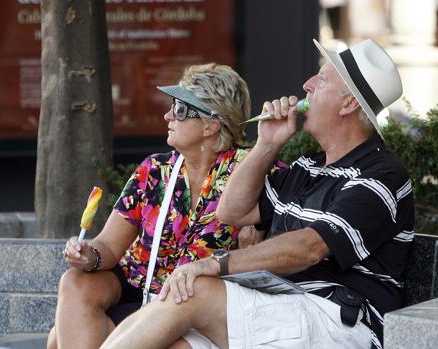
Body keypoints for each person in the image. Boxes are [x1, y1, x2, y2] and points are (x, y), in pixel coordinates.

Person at [100, 38, 415, 349]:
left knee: (193, 289)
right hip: (282, 307)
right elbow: (232, 211)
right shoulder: (307, 167)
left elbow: (310, 247)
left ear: (348, 104)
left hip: (338, 321)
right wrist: (267, 143)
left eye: (321, 79)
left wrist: (215, 263)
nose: (306, 84)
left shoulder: (380, 175)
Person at [47, 63, 256, 349]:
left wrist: (257, 234)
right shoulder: (154, 170)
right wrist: (89, 255)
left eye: (181, 110)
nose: (168, 115)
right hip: (135, 289)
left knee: (61, 338)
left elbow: (278, 234)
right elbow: (108, 246)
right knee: (75, 281)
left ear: (211, 124)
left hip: (191, 306)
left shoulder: (250, 171)